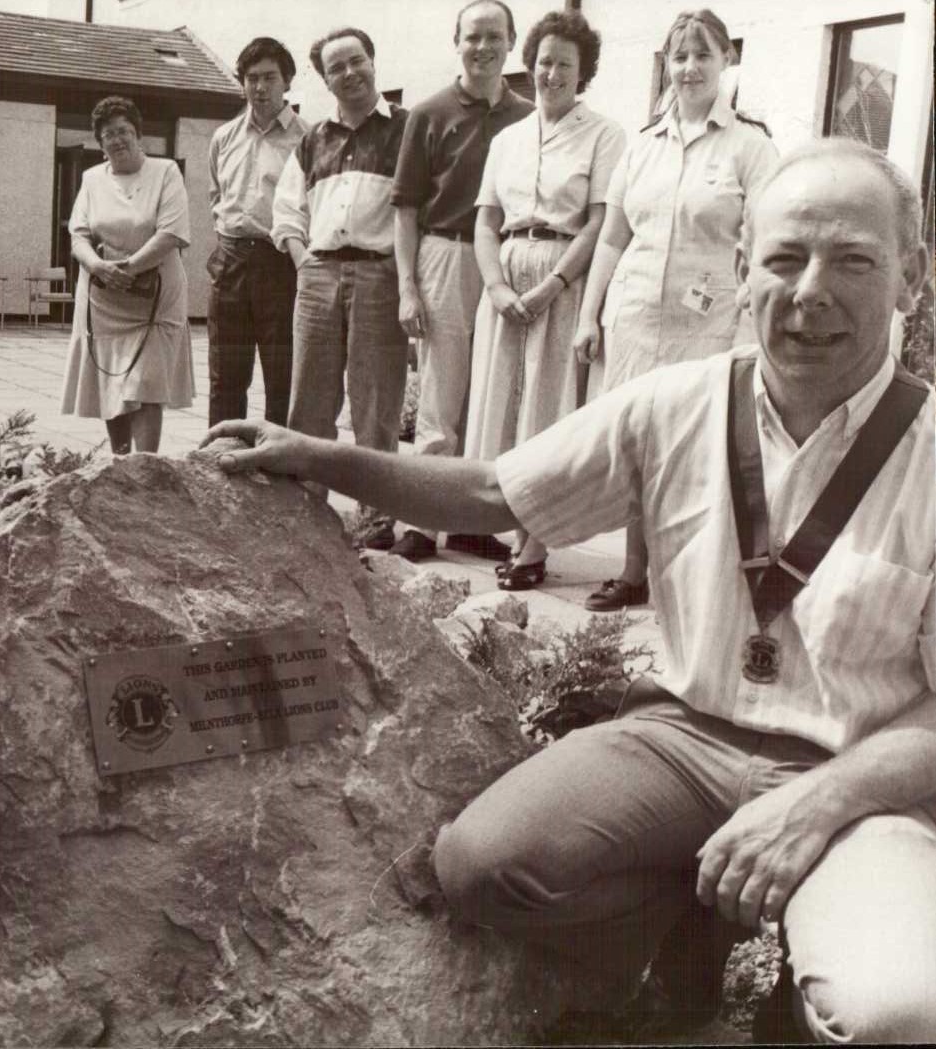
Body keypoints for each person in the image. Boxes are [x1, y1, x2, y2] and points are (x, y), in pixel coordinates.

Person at [204, 138, 935, 1044]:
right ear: (744, 268)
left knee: (895, 1010)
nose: (809, 289)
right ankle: (686, 926)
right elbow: (490, 493)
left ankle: (796, 985)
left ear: (910, 275)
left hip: (864, 774)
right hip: (680, 737)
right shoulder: (672, 404)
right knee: (482, 865)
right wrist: (319, 456)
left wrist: (814, 803)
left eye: (853, 260)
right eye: (784, 256)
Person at [570, 8, 777, 611]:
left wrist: (748, 324)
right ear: (667, 64)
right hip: (634, 321)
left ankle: (687, 582)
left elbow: (762, 242)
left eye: (703, 55)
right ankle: (633, 571)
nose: (690, 69)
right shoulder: (641, 147)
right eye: (679, 56)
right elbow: (612, 236)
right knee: (638, 445)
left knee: (698, 453)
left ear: (726, 61)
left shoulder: (751, 146)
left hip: (708, 331)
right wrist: (588, 316)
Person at [461, 9, 624, 590]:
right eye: (543, 61)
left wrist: (554, 285)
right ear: (527, 65)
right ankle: (487, 524)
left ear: (583, 74)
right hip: (504, 274)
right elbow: (486, 222)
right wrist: (497, 286)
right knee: (499, 403)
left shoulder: (605, 135)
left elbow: (601, 223)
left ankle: (533, 546)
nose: (550, 73)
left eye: (565, 64)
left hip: (563, 274)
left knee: (547, 411)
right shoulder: (507, 138)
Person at [387, 0, 533, 563]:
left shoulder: (528, 115)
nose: (484, 47)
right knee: (441, 400)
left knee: (490, 397)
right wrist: (407, 286)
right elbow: (405, 210)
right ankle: (422, 522)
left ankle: (472, 521)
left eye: (494, 36)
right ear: (458, 42)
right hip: (446, 253)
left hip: (506, 258)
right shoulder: (428, 113)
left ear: (511, 41)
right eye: (473, 37)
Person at [271, 27, 410, 551]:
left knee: (376, 402)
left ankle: (376, 520)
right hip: (319, 272)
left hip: (380, 275)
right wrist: (305, 262)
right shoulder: (313, 140)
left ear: (373, 62)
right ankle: (306, 509)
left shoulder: (406, 131)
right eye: (336, 68)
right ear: (324, 79)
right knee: (310, 398)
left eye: (357, 61)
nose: (349, 73)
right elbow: (286, 211)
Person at [60, 96, 193, 454]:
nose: (117, 140)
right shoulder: (91, 179)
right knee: (111, 380)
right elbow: (79, 235)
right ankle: (119, 465)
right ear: (100, 144)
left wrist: (129, 269)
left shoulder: (165, 172)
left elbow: (172, 233)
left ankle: (145, 467)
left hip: (155, 297)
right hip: (104, 298)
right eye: (108, 135)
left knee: (145, 385)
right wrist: (97, 266)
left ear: (139, 136)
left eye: (123, 131)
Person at [206, 37, 308, 429]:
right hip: (230, 261)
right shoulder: (224, 137)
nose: (260, 88)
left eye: (269, 78)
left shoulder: (308, 138)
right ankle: (220, 461)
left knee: (282, 377)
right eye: (251, 79)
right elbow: (217, 195)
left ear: (287, 82)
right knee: (226, 375)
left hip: (280, 263)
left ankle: (278, 473)